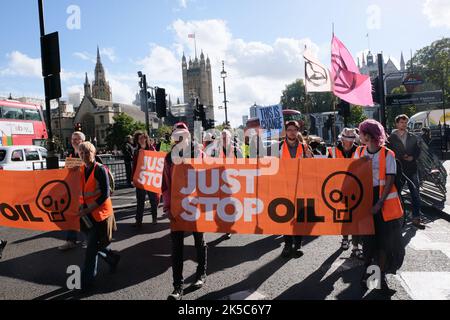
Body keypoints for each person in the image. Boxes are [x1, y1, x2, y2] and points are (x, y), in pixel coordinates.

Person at [355, 119, 405, 291]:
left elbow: (390, 180)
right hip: (365, 200)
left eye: (360, 133)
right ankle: (368, 275)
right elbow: (353, 176)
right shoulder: (359, 151)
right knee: (368, 243)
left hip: (384, 204)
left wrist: (379, 203)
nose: (359, 135)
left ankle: (381, 278)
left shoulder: (387, 154)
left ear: (368, 135)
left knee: (384, 243)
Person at [162, 123, 207, 300]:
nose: (180, 140)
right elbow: (165, 184)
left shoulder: (199, 154)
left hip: (196, 206)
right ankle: (177, 287)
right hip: (176, 207)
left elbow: (208, 177)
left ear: (188, 137)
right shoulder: (168, 158)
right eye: (176, 136)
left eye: (183, 136)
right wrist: (167, 207)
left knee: (199, 241)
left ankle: (201, 275)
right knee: (176, 247)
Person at [78, 142, 120, 292]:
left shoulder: (100, 170)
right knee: (95, 245)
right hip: (87, 216)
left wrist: (88, 208)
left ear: (94, 153)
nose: (84, 155)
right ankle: (112, 258)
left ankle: (86, 282)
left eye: (87, 152)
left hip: (101, 215)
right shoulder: (82, 170)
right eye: (81, 153)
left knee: (90, 249)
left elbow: (105, 195)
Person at [327, 128, 363, 259]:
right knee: (344, 217)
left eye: (352, 139)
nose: (349, 142)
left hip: (356, 188)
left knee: (355, 218)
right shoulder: (333, 151)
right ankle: (345, 239)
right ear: (341, 139)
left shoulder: (360, 150)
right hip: (339, 189)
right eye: (347, 139)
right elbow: (327, 169)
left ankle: (355, 246)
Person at [279, 121, 312, 258]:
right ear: (286, 131)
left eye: (294, 130)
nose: (292, 132)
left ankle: (298, 245)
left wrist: (310, 157)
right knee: (285, 216)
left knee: (299, 217)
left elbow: (310, 167)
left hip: (300, 187)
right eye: (289, 130)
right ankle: (287, 245)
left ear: (298, 131)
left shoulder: (304, 147)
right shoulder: (279, 147)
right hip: (284, 186)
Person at [387, 115, 425, 230]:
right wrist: (400, 157)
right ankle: (397, 219)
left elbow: (418, 151)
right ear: (397, 124)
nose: (404, 124)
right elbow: (389, 152)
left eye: (405, 122)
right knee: (397, 194)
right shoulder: (391, 138)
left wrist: (412, 157)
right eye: (402, 122)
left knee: (415, 194)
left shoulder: (413, 137)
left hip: (412, 169)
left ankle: (416, 219)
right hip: (398, 170)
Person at [59, 131, 88, 251]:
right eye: (72, 139)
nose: (74, 141)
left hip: (86, 191)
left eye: (77, 139)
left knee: (86, 216)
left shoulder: (87, 151)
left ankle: (90, 239)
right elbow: (68, 171)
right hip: (74, 191)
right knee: (72, 216)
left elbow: (93, 168)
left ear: (82, 141)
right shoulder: (70, 153)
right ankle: (71, 240)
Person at [132, 131, 159, 228]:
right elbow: (134, 166)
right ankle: (138, 220)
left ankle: (154, 218)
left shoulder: (151, 149)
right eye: (139, 139)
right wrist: (133, 179)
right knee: (140, 200)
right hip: (140, 179)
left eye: (143, 138)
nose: (142, 140)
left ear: (146, 139)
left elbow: (156, 160)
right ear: (137, 140)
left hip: (150, 178)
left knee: (153, 199)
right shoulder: (136, 151)